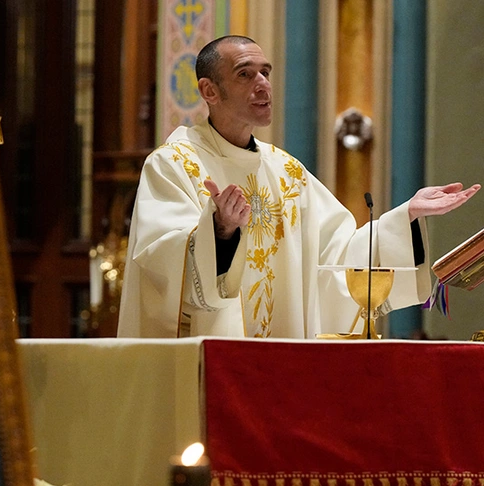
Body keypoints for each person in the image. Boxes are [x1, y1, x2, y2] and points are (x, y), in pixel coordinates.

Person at [117, 35, 480, 338]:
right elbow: (159, 265)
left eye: (266, 73)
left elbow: (338, 260)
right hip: (209, 364)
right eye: (245, 74)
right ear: (209, 90)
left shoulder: (287, 172)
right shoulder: (174, 164)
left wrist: (406, 216)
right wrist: (219, 232)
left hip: (283, 368)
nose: (262, 84)